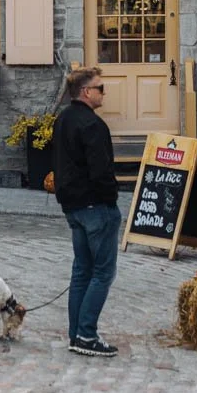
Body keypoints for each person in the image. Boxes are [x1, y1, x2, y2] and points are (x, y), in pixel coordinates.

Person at [52, 66, 120, 357]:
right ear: (85, 92)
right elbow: (101, 171)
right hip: (95, 206)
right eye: (100, 88)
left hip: (73, 206)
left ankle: (75, 334)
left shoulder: (63, 119)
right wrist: (111, 199)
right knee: (102, 273)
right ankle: (87, 334)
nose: (103, 92)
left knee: (81, 271)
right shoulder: (92, 125)